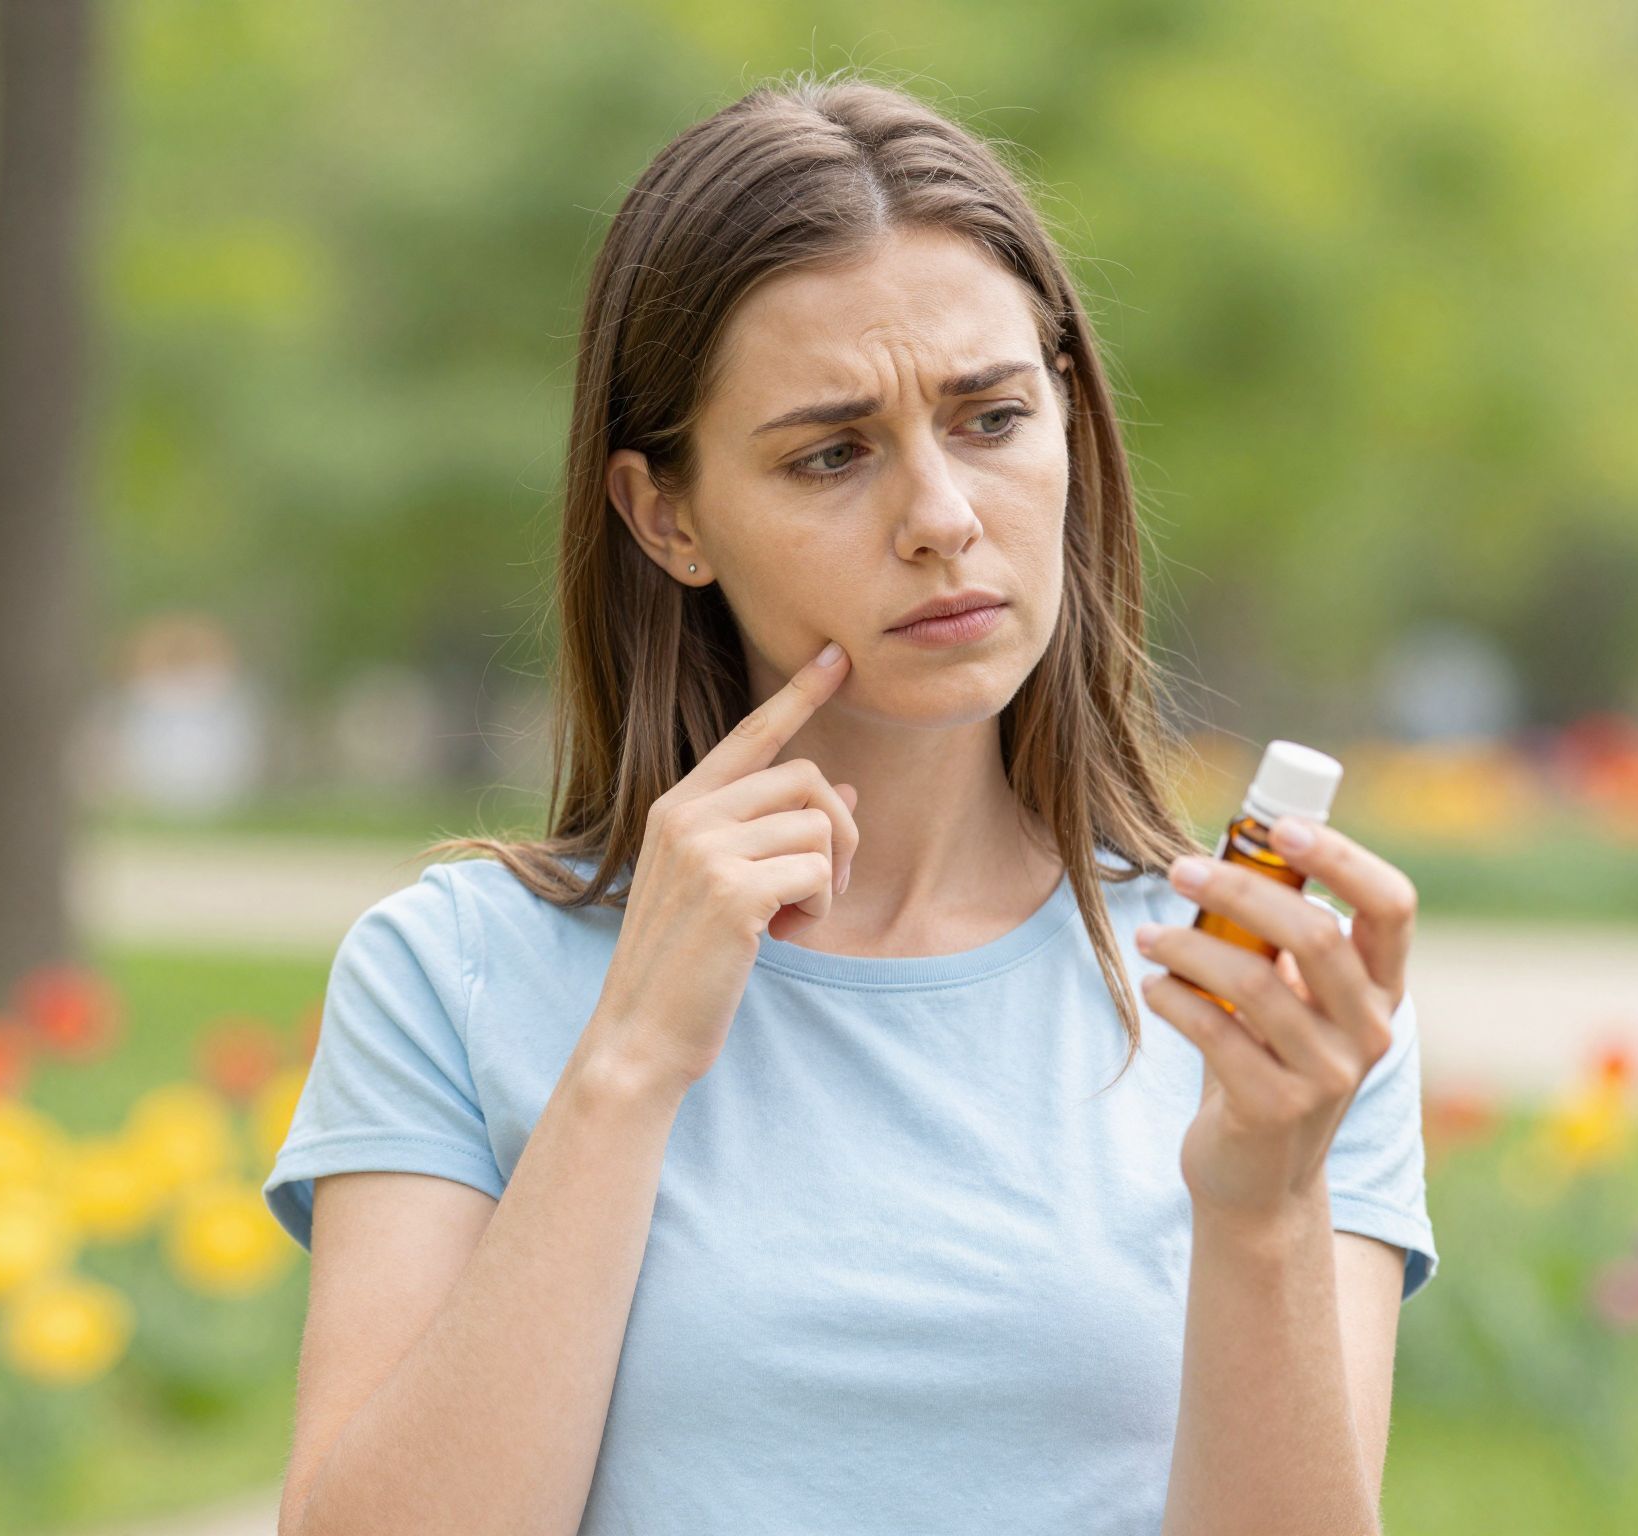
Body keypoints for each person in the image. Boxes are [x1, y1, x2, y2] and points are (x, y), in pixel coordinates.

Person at [262, 69, 1438, 1536]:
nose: (942, 516)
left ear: (1069, 419)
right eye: (832, 452)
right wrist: (627, 1062)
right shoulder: (456, 970)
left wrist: (1262, 1210)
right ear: (666, 514)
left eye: (993, 416)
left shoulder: (1258, 997)